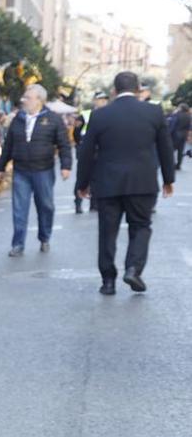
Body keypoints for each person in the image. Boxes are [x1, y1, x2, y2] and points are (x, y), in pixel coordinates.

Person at [77, 72, 176, 294]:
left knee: (107, 232)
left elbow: (86, 152)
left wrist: (82, 183)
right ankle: (133, 268)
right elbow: (165, 148)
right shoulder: (153, 112)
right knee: (141, 226)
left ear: (114, 90)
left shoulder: (100, 115)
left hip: (108, 182)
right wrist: (168, 179)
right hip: (143, 182)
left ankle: (108, 281)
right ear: (139, 89)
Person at [0, 81, 71, 255]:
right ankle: (18, 244)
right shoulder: (18, 120)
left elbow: (64, 144)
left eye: (28, 97)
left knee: (46, 205)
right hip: (21, 170)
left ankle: (44, 237)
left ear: (39, 100)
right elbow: (8, 145)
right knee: (19, 208)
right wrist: (0, 167)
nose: (24, 100)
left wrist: (66, 166)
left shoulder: (53, 119)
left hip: (43, 170)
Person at [168, 103, 190, 172]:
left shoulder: (177, 115)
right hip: (184, 135)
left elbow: (173, 125)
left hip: (175, 135)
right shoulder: (189, 116)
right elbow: (189, 127)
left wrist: (169, 133)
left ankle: (172, 164)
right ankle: (179, 165)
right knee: (180, 151)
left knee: (171, 150)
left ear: (181, 108)